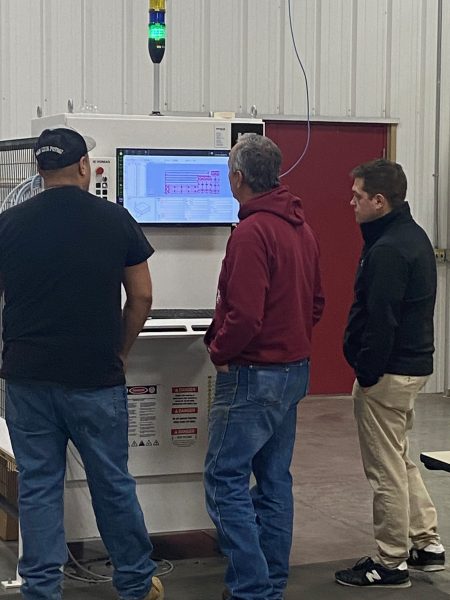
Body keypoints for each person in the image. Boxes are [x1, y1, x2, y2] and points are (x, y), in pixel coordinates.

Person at [0, 127, 163, 600]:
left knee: (38, 487)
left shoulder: (8, 224)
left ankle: (41, 589)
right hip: (95, 377)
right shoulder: (115, 220)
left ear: (38, 170)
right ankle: (135, 583)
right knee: (111, 483)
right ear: (85, 167)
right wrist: (121, 350)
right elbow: (143, 295)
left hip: (28, 380)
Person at [203, 133, 324, 600]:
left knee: (223, 479)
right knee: (274, 482)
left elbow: (245, 315)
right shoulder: (300, 228)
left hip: (252, 374)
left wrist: (220, 349)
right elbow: (315, 302)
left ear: (236, 178)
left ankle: (252, 588)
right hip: (293, 370)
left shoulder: (252, 233)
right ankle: (269, 584)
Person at [335, 159, 445, 589]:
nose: (352, 202)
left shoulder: (388, 250)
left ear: (379, 201)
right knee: (399, 459)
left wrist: (367, 373)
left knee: (384, 470)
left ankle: (391, 561)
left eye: (358, 196)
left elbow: (381, 320)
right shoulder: (410, 236)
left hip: (388, 374)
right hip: (410, 368)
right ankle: (427, 544)